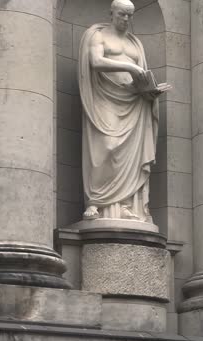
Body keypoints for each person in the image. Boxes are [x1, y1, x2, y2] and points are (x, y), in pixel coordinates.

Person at [78, 0, 171, 222]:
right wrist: (130, 66)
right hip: (105, 99)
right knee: (107, 146)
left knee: (131, 153)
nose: (126, 19)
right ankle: (96, 202)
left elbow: (142, 76)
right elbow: (96, 61)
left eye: (130, 15)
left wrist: (151, 91)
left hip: (133, 102)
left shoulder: (135, 43)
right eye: (122, 14)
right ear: (111, 13)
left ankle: (127, 203)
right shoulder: (97, 35)